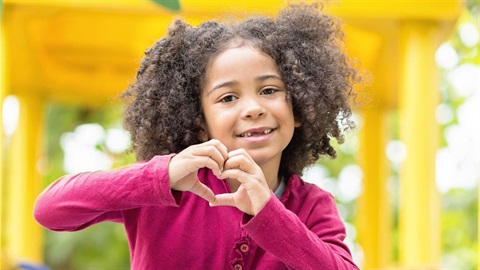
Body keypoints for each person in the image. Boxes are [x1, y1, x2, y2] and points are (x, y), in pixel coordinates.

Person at [34, 3, 362, 269]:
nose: (253, 108)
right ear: (200, 122)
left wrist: (269, 214)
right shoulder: (167, 187)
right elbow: (50, 210)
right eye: (228, 98)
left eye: (269, 90)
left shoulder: (312, 206)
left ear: (301, 107)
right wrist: (162, 175)